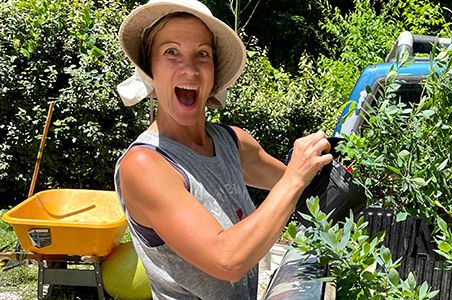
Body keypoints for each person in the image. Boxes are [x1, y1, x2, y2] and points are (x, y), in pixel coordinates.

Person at [113, 0, 332, 299]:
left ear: (214, 73)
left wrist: (337, 169)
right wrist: (296, 176)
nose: (189, 68)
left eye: (202, 54)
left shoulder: (233, 143)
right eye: (171, 52)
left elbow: (306, 186)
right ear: (151, 69)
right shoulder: (144, 164)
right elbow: (227, 260)